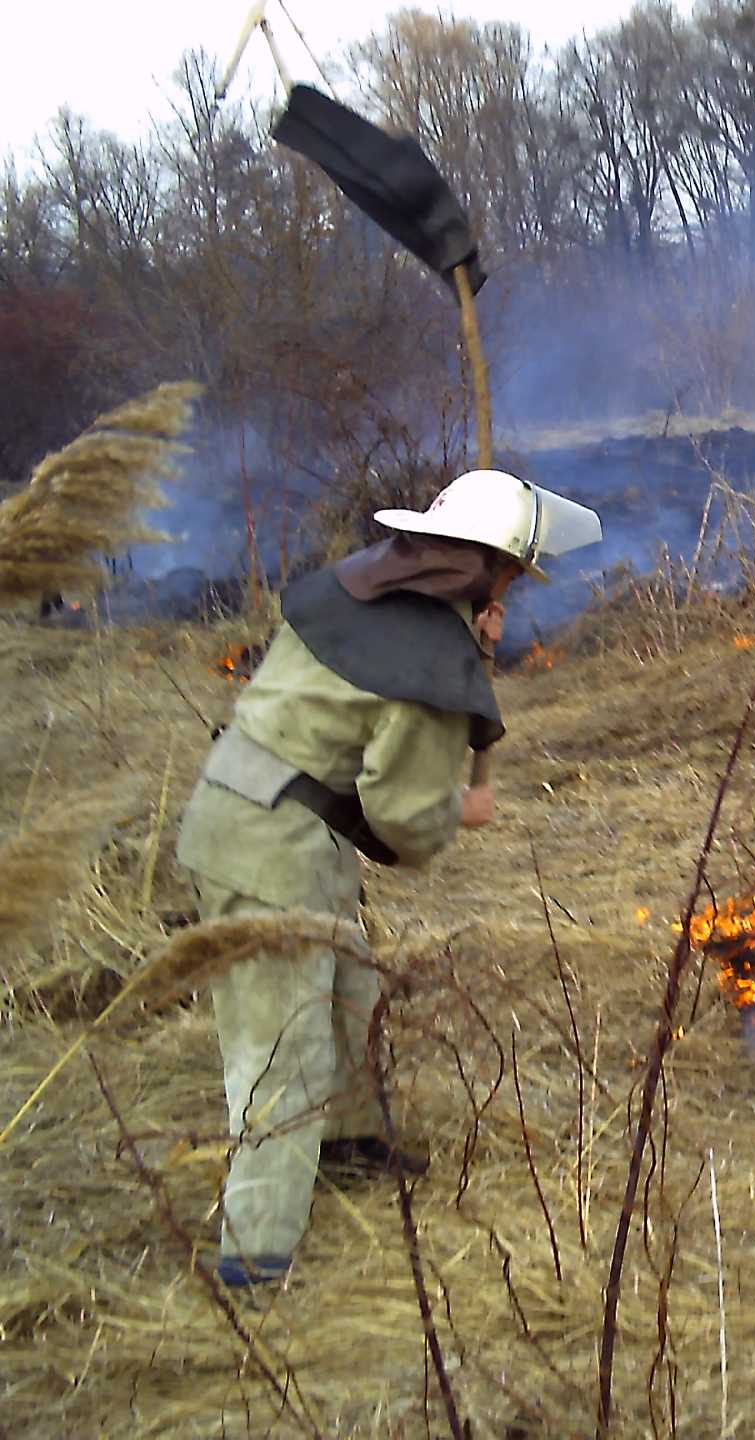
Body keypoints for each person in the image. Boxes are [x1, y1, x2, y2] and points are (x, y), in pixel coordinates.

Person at [174, 468, 600, 1288]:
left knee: (347, 993)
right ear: (485, 565)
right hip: (265, 843)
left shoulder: (357, 584)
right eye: (512, 572)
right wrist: (460, 807)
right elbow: (402, 814)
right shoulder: (426, 658)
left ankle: (349, 1146)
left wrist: (467, 654)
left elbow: (369, 708)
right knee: (280, 1052)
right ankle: (254, 1257)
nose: (512, 587)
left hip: (275, 816)